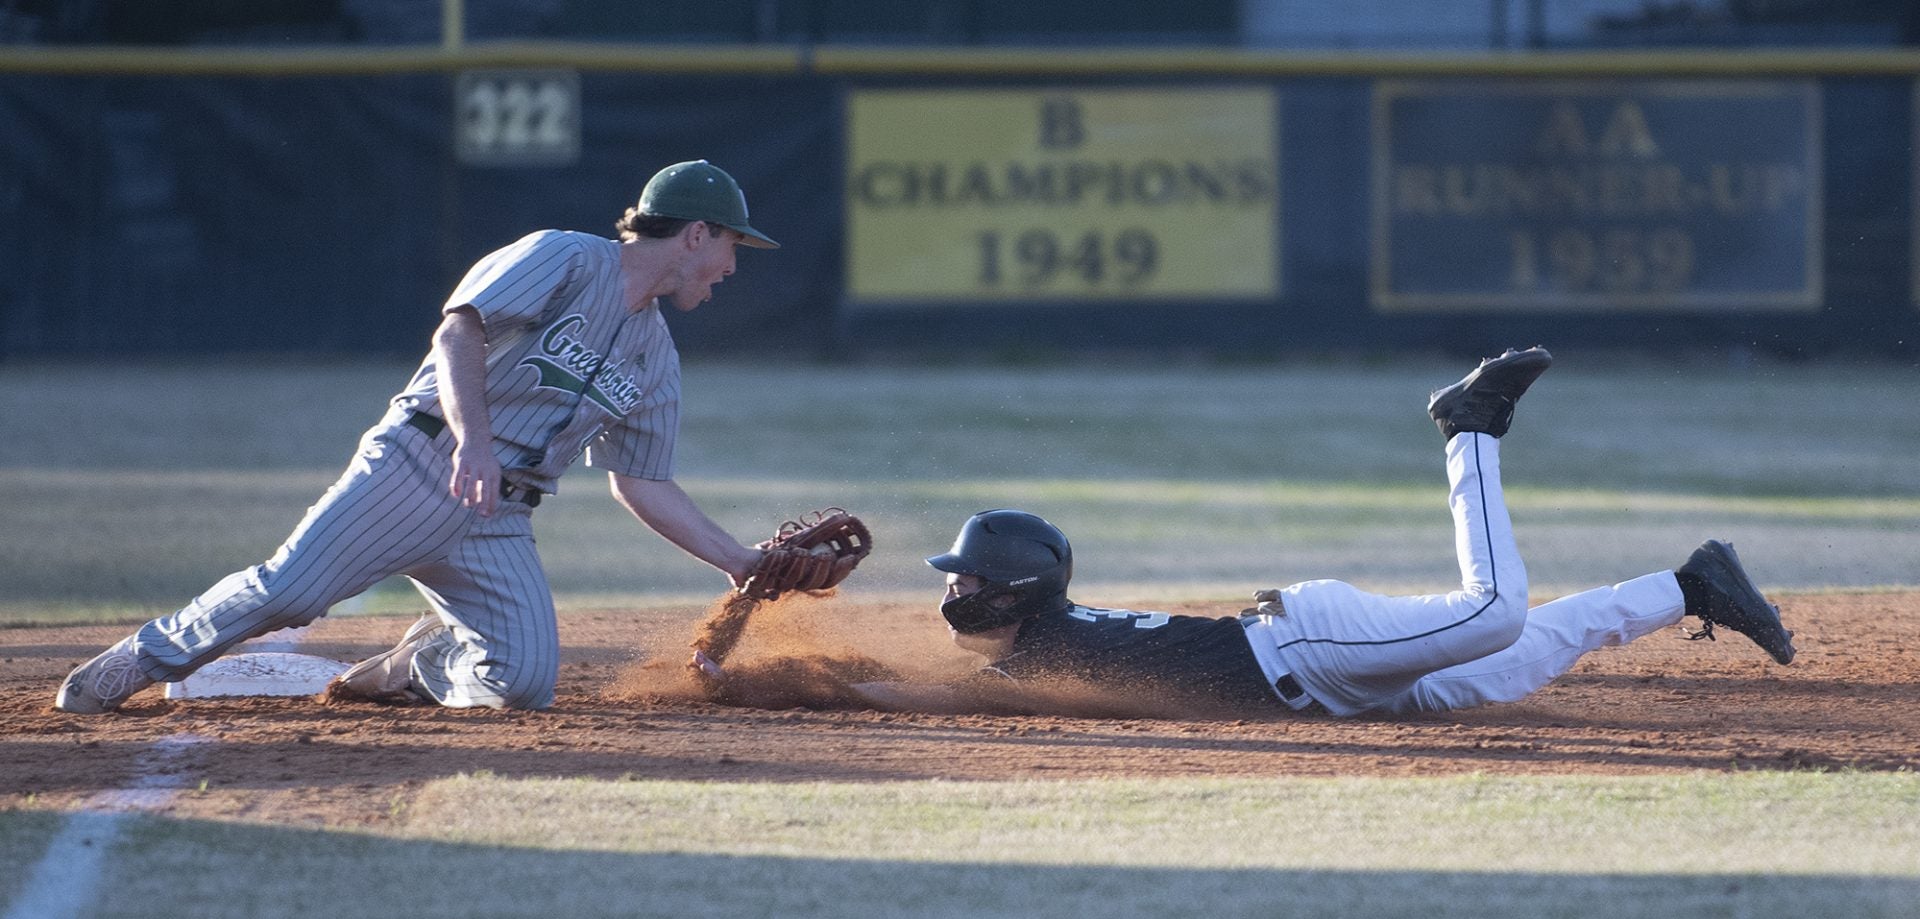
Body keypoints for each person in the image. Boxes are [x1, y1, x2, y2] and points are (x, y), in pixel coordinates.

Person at [57, 159, 782, 714]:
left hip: (500, 518)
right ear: (695, 233)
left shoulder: (655, 354)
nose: (731, 268)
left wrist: (740, 559)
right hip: (419, 465)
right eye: (730, 247)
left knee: (522, 684)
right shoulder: (565, 258)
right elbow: (458, 328)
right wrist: (473, 440)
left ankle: (420, 662)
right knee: (289, 594)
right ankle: (141, 657)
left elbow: (641, 479)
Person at [722, 347, 1797, 717]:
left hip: (1311, 649)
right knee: (1507, 665)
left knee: (1493, 612)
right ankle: (1690, 588)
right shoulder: (1035, 641)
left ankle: (1470, 431)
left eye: (966, 582)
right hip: (1316, 662)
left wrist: (737, 653)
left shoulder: (1039, 653)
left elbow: (883, 688)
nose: (952, 596)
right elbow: (890, 674)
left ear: (1013, 595)